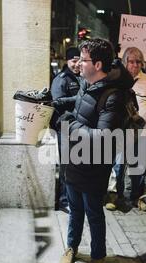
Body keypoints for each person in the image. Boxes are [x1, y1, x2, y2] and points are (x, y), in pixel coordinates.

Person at [58, 38, 133, 263]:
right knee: (74, 209)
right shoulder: (86, 83)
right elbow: (81, 104)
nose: (79, 63)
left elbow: (102, 137)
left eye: (84, 59)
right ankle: (71, 247)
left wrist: (68, 123)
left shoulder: (113, 96)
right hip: (74, 158)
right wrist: (57, 103)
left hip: (94, 165)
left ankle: (98, 257)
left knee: (93, 213)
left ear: (98, 64)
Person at [105, 47, 146, 212]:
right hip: (119, 132)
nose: (136, 65)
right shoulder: (114, 78)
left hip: (142, 132)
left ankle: (137, 197)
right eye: (132, 61)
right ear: (124, 61)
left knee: (139, 166)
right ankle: (114, 196)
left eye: (139, 61)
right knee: (118, 165)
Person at [50, 47, 81, 213]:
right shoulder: (61, 78)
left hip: (76, 127)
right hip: (64, 127)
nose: (76, 64)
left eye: (79, 61)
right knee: (66, 165)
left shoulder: (79, 78)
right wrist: (79, 98)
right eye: (73, 61)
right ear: (67, 61)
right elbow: (57, 101)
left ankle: (71, 198)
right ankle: (63, 201)